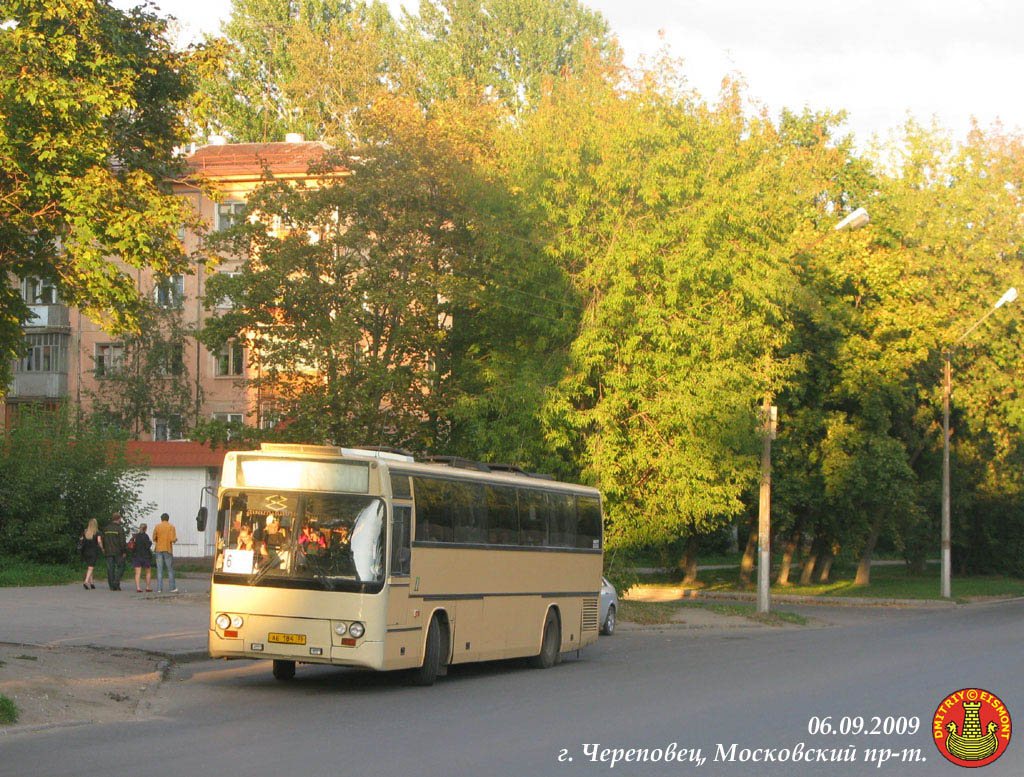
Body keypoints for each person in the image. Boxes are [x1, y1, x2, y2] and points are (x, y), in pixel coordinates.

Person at [152, 512, 179, 593]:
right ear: (168, 519)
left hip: (158, 549)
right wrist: (175, 539)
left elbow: (154, 537)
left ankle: (159, 588)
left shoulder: (157, 526)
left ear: (161, 519)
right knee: (170, 569)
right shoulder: (171, 527)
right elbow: (172, 539)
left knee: (159, 569)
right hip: (167, 549)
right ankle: (172, 588)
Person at [101, 511, 127, 591]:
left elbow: (103, 539)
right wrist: (124, 551)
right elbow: (122, 541)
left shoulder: (106, 528)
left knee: (110, 569)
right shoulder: (119, 528)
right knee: (121, 567)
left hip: (108, 551)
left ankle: (112, 586)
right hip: (118, 551)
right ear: (119, 519)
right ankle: (116, 581)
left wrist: (104, 548)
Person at [79, 518, 104, 590]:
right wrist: (102, 548)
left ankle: (92, 582)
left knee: (89, 566)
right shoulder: (97, 532)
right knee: (91, 566)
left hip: (85, 551)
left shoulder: (85, 531)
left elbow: (81, 539)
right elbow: (99, 541)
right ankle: (86, 581)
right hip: (93, 551)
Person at [131, 523, 153, 593]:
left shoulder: (136, 536)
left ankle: (138, 587)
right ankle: (147, 587)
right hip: (145, 556)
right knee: (148, 572)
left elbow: (132, 545)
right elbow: (147, 546)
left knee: (137, 573)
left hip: (137, 556)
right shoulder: (146, 536)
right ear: (145, 529)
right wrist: (150, 542)